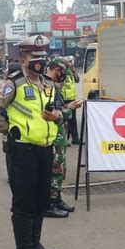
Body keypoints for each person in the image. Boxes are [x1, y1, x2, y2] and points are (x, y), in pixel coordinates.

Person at [0, 34, 61, 249]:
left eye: (43, 56)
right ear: (24, 59)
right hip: (23, 150)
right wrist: (8, 129)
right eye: (35, 56)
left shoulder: (48, 84)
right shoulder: (13, 83)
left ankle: (35, 246)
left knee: (41, 201)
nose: (41, 60)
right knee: (24, 203)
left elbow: (54, 111)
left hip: (45, 149)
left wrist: (57, 117)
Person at [43, 57, 82, 218]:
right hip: (51, 136)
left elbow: (58, 110)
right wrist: (68, 109)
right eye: (62, 73)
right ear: (57, 71)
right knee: (55, 169)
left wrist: (68, 107)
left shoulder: (53, 87)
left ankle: (57, 199)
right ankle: (50, 203)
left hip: (59, 134)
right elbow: (49, 115)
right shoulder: (46, 87)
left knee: (60, 169)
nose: (63, 78)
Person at [60, 56, 80, 145]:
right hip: (64, 100)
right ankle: (66, 139)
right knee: (65, 120)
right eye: (69, 62)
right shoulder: (62, 72)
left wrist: (74, 72)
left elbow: (77, 80)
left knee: (73, 120)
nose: (71, 64)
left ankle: (75, 139)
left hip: (72, 99)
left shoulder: (71, 72)